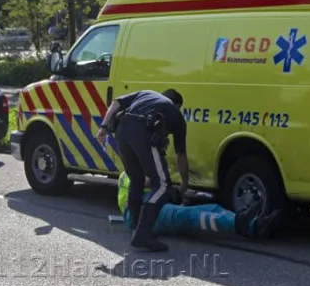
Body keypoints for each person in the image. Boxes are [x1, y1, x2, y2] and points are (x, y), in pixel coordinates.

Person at [97, 88, 189, 252]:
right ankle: (143, 233)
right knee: (162, 185)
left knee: (136, 179)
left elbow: (117, 102)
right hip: (142, 131)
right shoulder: (175, 113)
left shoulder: (146, 94)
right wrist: (184, 184)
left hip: (121, 132)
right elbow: (180, 154)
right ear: (176, 105)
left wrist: (103, 126)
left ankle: (134, 227)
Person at [116, 172, 280, 240]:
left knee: (203, 210)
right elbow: (144, 182)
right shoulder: (130, 172)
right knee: (186, 216)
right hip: (138, 215)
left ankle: (255, 226)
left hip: (148, 210)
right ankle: (240, 223)